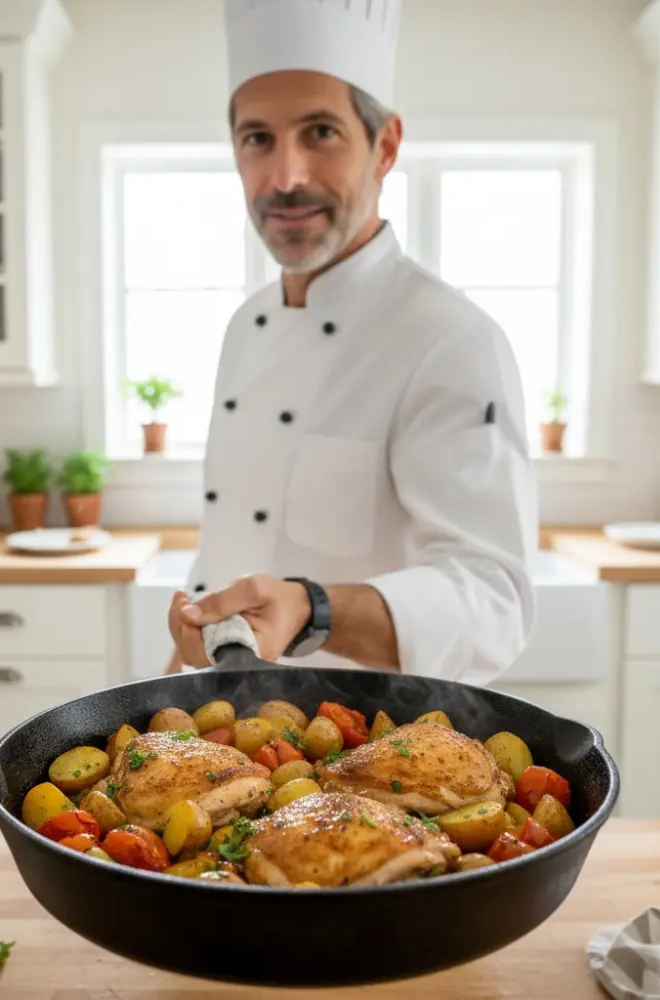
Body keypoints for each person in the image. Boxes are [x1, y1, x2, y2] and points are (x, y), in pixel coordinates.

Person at [166, 0, 538, 685]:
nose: (286, 178)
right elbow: (224, 557)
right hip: (222, 733)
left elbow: (494, 601)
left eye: (321, 132)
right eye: (257, 139)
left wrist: (312, 610)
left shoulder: (450, 339)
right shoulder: (244, 327)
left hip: (368, 749)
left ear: (386, 146)